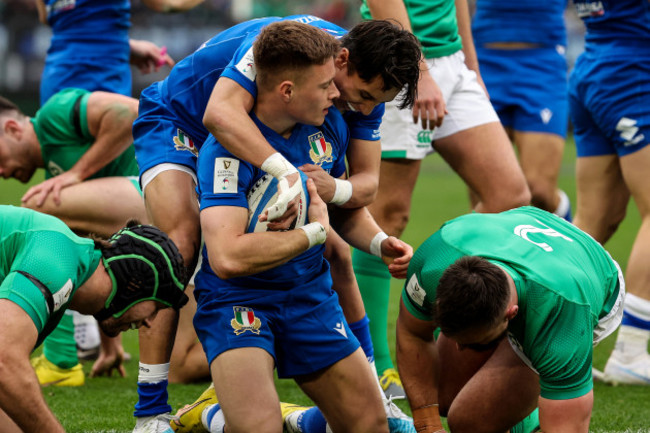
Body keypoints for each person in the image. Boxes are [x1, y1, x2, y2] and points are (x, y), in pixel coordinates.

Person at [131, 15, 420, 430]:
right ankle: (151, 411)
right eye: (363, 94)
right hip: (182, 119)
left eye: (379, 101)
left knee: (337, 250)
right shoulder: (282, 51)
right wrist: (291, 176)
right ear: (340, 62)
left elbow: (365, 187)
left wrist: (354, 219)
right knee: (182, 242)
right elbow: (219, 113)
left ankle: (367, 386)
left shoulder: (347, 96)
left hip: (299, 276)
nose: (367, 109)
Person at [351, 0, 531, 399]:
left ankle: (444, 293)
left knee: (510, 194)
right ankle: (375, 361)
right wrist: (420, 72)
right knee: (388, 216)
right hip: (398, 59)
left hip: (452, 62)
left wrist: (471, 65)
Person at [396, 206, 624, 432]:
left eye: (477, 344)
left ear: (511, 315)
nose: (460, 348)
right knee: (442, 394)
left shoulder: (562, 318)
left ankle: (525, 418)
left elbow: (567, 428)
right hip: (531, 226)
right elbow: (412, 332)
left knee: (469, 423)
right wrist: (428, 427)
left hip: (585, 280)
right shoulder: (437, 257)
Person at [0, 88, 149, 384]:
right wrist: (112, 345)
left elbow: (130, 112)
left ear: (13, 128)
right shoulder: (56, 171)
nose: (1, 172)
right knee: (187, 363)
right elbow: (94, 248)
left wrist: (77, 172)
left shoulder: (53, 115)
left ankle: (61, 359)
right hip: (148, 214)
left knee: (41, 207)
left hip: (160, 190)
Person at [0, 205, 188, 433]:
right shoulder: (57, 263)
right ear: (134, 285)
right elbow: (5, 361)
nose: (149, 322)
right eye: (155, 307)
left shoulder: (66, 267)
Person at [569, 0, 650, 385]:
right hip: (633, 70)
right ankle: (631, 350)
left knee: (595, 220)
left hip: (596, 64)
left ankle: (549, 337)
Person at [472, 0, 572, 220]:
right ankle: (493, 255)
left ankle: (566, 241)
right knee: (487, 194)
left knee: (541, 192)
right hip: (484, 62)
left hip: (541, 63)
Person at [35, 0, 201, 105]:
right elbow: (169, 3)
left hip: (57, 78)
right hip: (102, 77)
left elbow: (48, 17)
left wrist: (124, 45)